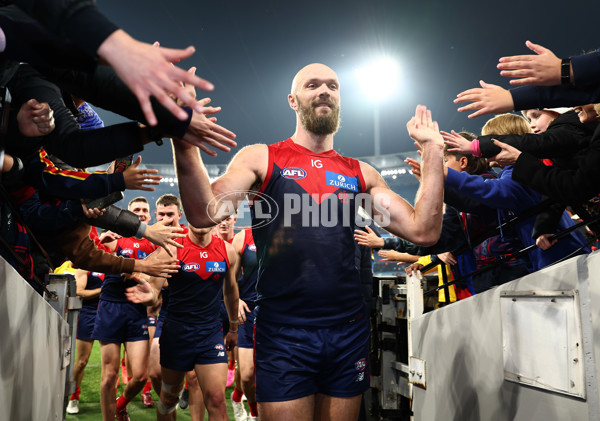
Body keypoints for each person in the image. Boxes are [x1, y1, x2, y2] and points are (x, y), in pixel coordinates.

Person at [171, 63, 445, 421]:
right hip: (284, 333)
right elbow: (204, 213)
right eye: (312, 84)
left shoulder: (360, 172)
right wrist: (183, 138)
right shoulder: (262, 158)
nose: (324, 91)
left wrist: (432, 151)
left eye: (332, 85)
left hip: (347, 331)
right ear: (292, 100)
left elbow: (423, 230)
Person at [125, 222, 240, 421]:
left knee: (217, 401)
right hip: (176, 335)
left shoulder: (227, 251)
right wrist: (149, 296)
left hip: (210, 335)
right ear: (188, 217)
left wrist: (233, 328)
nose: (202, 219)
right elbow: (154, 291)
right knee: (169, 400)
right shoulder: (171, 249)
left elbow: (230, 291)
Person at [91, 196, 178, 421]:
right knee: (110, 375)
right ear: (128, 216)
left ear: (149, 216)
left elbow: (164, 279)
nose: (140, 213)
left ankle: (120, 406)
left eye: (144, 210)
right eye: (136, 210)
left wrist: (139, 274)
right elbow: (91, 259)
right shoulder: (115, 239)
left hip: (137, 310)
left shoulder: (154, 244)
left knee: (140, 375)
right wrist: (100, 240)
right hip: (111, 305)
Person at [66, 267, 105, 414]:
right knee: (82, 361)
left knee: (109, 364)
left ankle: (109, 398)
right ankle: (73, 397)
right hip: (88, 314)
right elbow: (80, 291)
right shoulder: (86, 265)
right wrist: (103, 290)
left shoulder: (115, 261)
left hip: (108, 313)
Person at [231, 227, 259, 421]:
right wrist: (237, 299)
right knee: (247, 375)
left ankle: (258, 416)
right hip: (247, 312)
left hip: (275, 312)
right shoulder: (243, 236)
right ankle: (238, 398)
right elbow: (230, 278)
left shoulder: (287, 234)